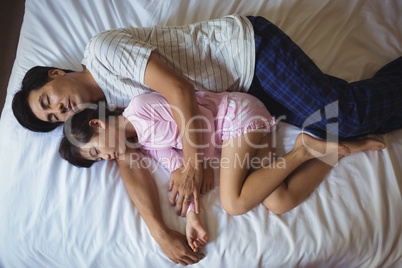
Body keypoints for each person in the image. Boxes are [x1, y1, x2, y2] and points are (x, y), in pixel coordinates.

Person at [11, 14, 401, 264]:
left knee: (346, 115)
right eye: (52, 118)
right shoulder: (115, 112)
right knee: (287, 187)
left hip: (251, 59)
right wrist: (164, 231)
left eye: (49, 102)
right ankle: (330, 146)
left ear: (55, 74)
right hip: (242, 100)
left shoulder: (102, 53)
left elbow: (179, 91)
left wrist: (196, 167)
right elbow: (129, 159)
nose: (59, 111)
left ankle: (321, 144)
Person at [59, 91, 386, 249]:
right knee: (280, 201)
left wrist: (201, 163)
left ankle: (302, 150)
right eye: (97, 160)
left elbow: (198, 116)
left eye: (96, 151)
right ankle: (333, 154)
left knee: (234, 202)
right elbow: (181, 172)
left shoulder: (142, 109)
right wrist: (192, 217)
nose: (104, 158)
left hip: (237, 117)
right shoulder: (146, 145)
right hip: (235, 139)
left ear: (97, 123)